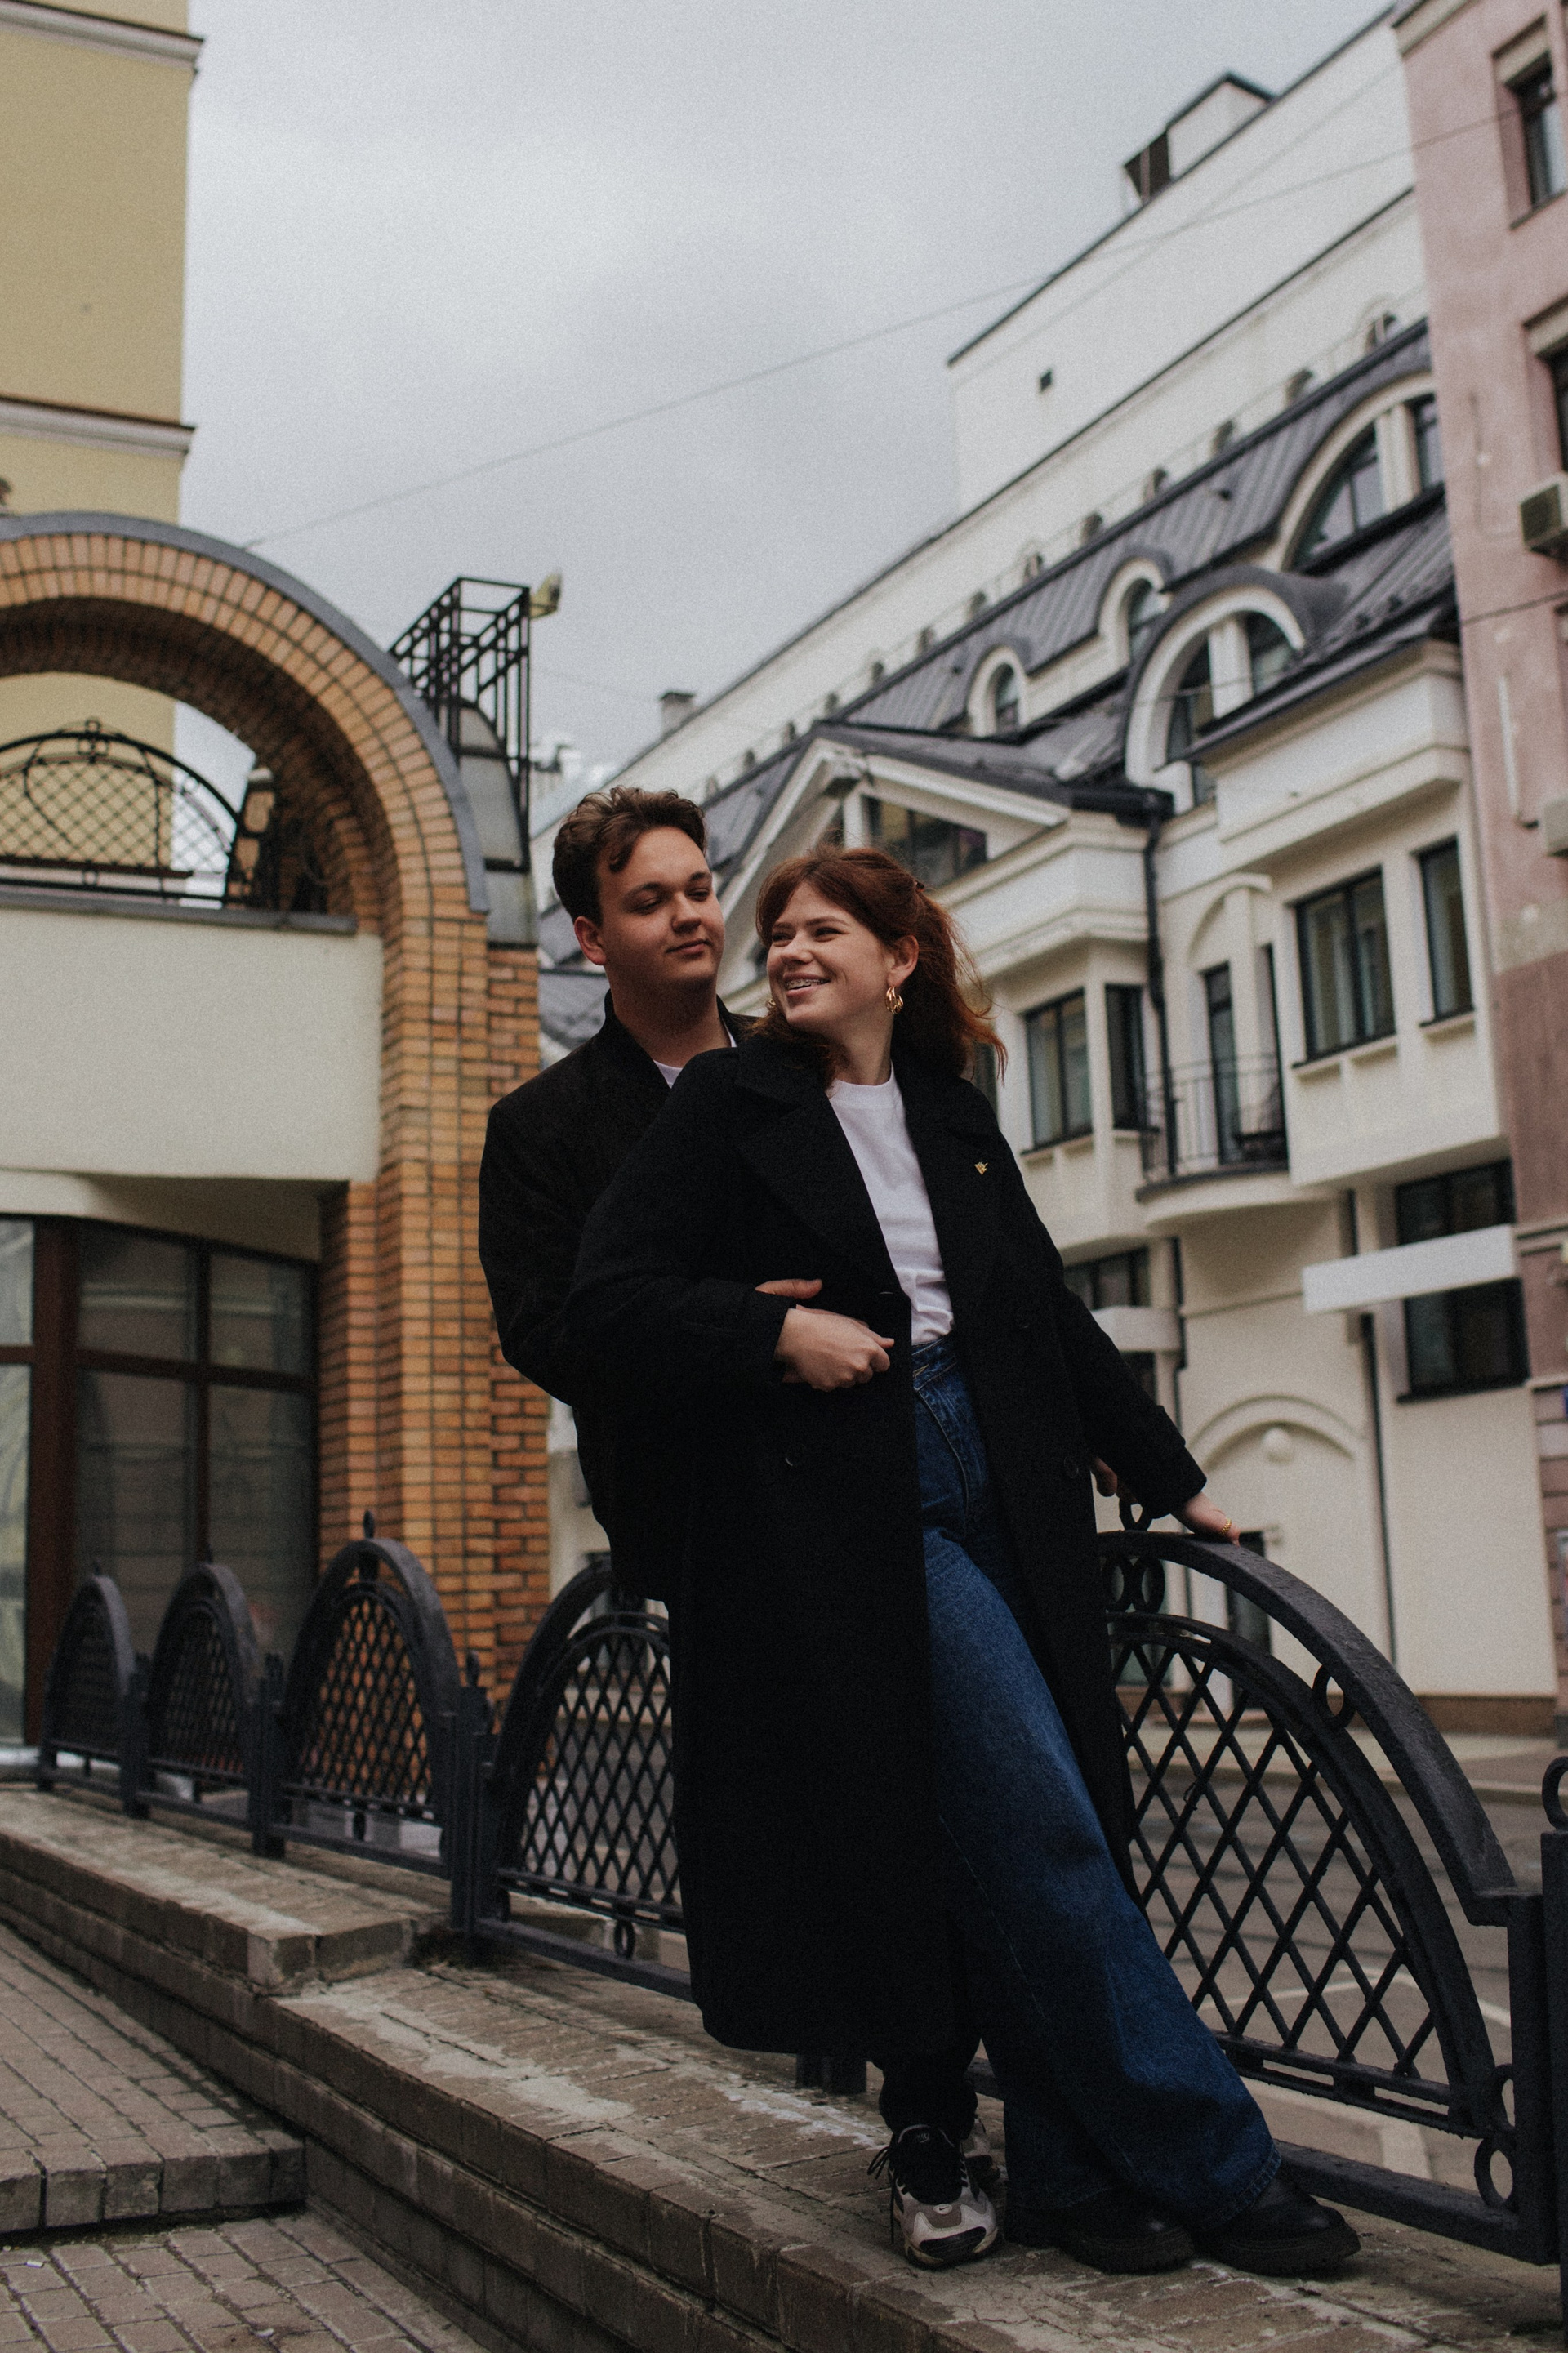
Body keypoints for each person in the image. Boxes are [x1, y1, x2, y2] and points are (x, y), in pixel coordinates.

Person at [561, 846, 1360, 2281]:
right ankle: (1219, 2164)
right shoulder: (728, 1104)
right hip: (863, 1506)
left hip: (1013, 1477)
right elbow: (606, 1301)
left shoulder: (952, 1109)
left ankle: (1068, 2171)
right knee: (1044, 1825)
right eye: (779, 933)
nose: (789, 951)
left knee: (1029, 1836)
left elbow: (1040, 1307)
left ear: (899, 958)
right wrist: (771, 1332)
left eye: (823, 930)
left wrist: (1172, 1475)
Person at [479, 783, 817, 1591]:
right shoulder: (537, 1125)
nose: (689, 915)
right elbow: (548, 1335)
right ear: (592, 937)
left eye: (700, 890)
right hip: (694, 1513)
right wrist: (746, 1330)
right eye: (651, 901)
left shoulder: (808, 1065)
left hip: (855, 1475)